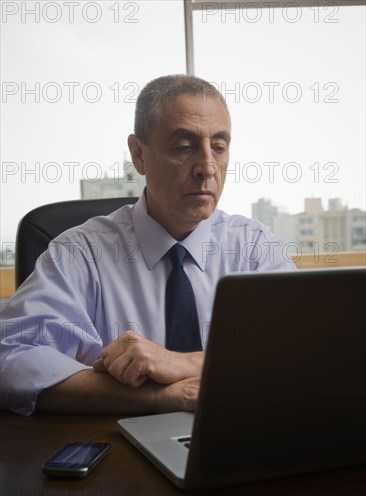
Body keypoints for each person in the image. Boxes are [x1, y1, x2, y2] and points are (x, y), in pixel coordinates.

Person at [0, 74, 296, 416]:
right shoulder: (80, 253)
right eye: (184, 147)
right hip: (119, 451)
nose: (207, 168)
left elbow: (299, 354)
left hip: (245, 438)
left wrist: (178, 362)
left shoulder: (256, 249)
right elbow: (11, 359)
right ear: (138, 155)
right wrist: (161, 398)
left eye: (219, 146)